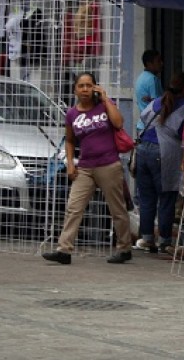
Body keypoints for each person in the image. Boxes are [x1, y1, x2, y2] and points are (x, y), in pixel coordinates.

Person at [42, 72, 133, 265]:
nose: (85, 89)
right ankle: (64, 250)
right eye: (81, 86)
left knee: (117, 209)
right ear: (75, 89)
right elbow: (69, 140)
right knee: (73, 207)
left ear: (95, 87)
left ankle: (124, 248)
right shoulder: (72, 114)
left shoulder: (104, 106)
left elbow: (118, 123)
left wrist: (106, 99)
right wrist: (69, 164)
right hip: (85, 167)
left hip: (109, 164)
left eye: (89, 85)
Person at [136, 72, 184, 254]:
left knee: (147, 198)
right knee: (167, 197)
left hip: (143, 151)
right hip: (163, 153)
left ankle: (146, 239)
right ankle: (164, 241)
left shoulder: (158, 101)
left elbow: (143, 119)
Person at [134, 50, 163, 131]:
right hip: (151, 126)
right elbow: (157, 104)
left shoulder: (141, 77)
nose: (161, 63)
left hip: (142, 124)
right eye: (158, 61)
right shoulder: (152, 79)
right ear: (149, 63)